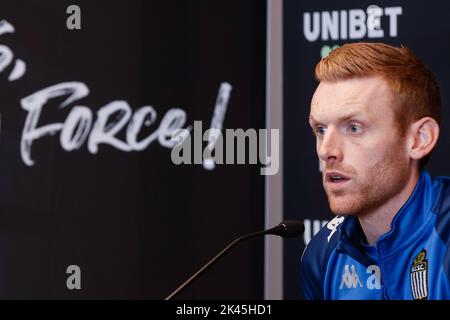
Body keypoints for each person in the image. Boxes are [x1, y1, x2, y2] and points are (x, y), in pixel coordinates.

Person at [300, 42, 450, 300]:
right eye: (321, 130)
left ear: (419, 139)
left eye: (354, 128)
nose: (327, 150)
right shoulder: (322, 255)